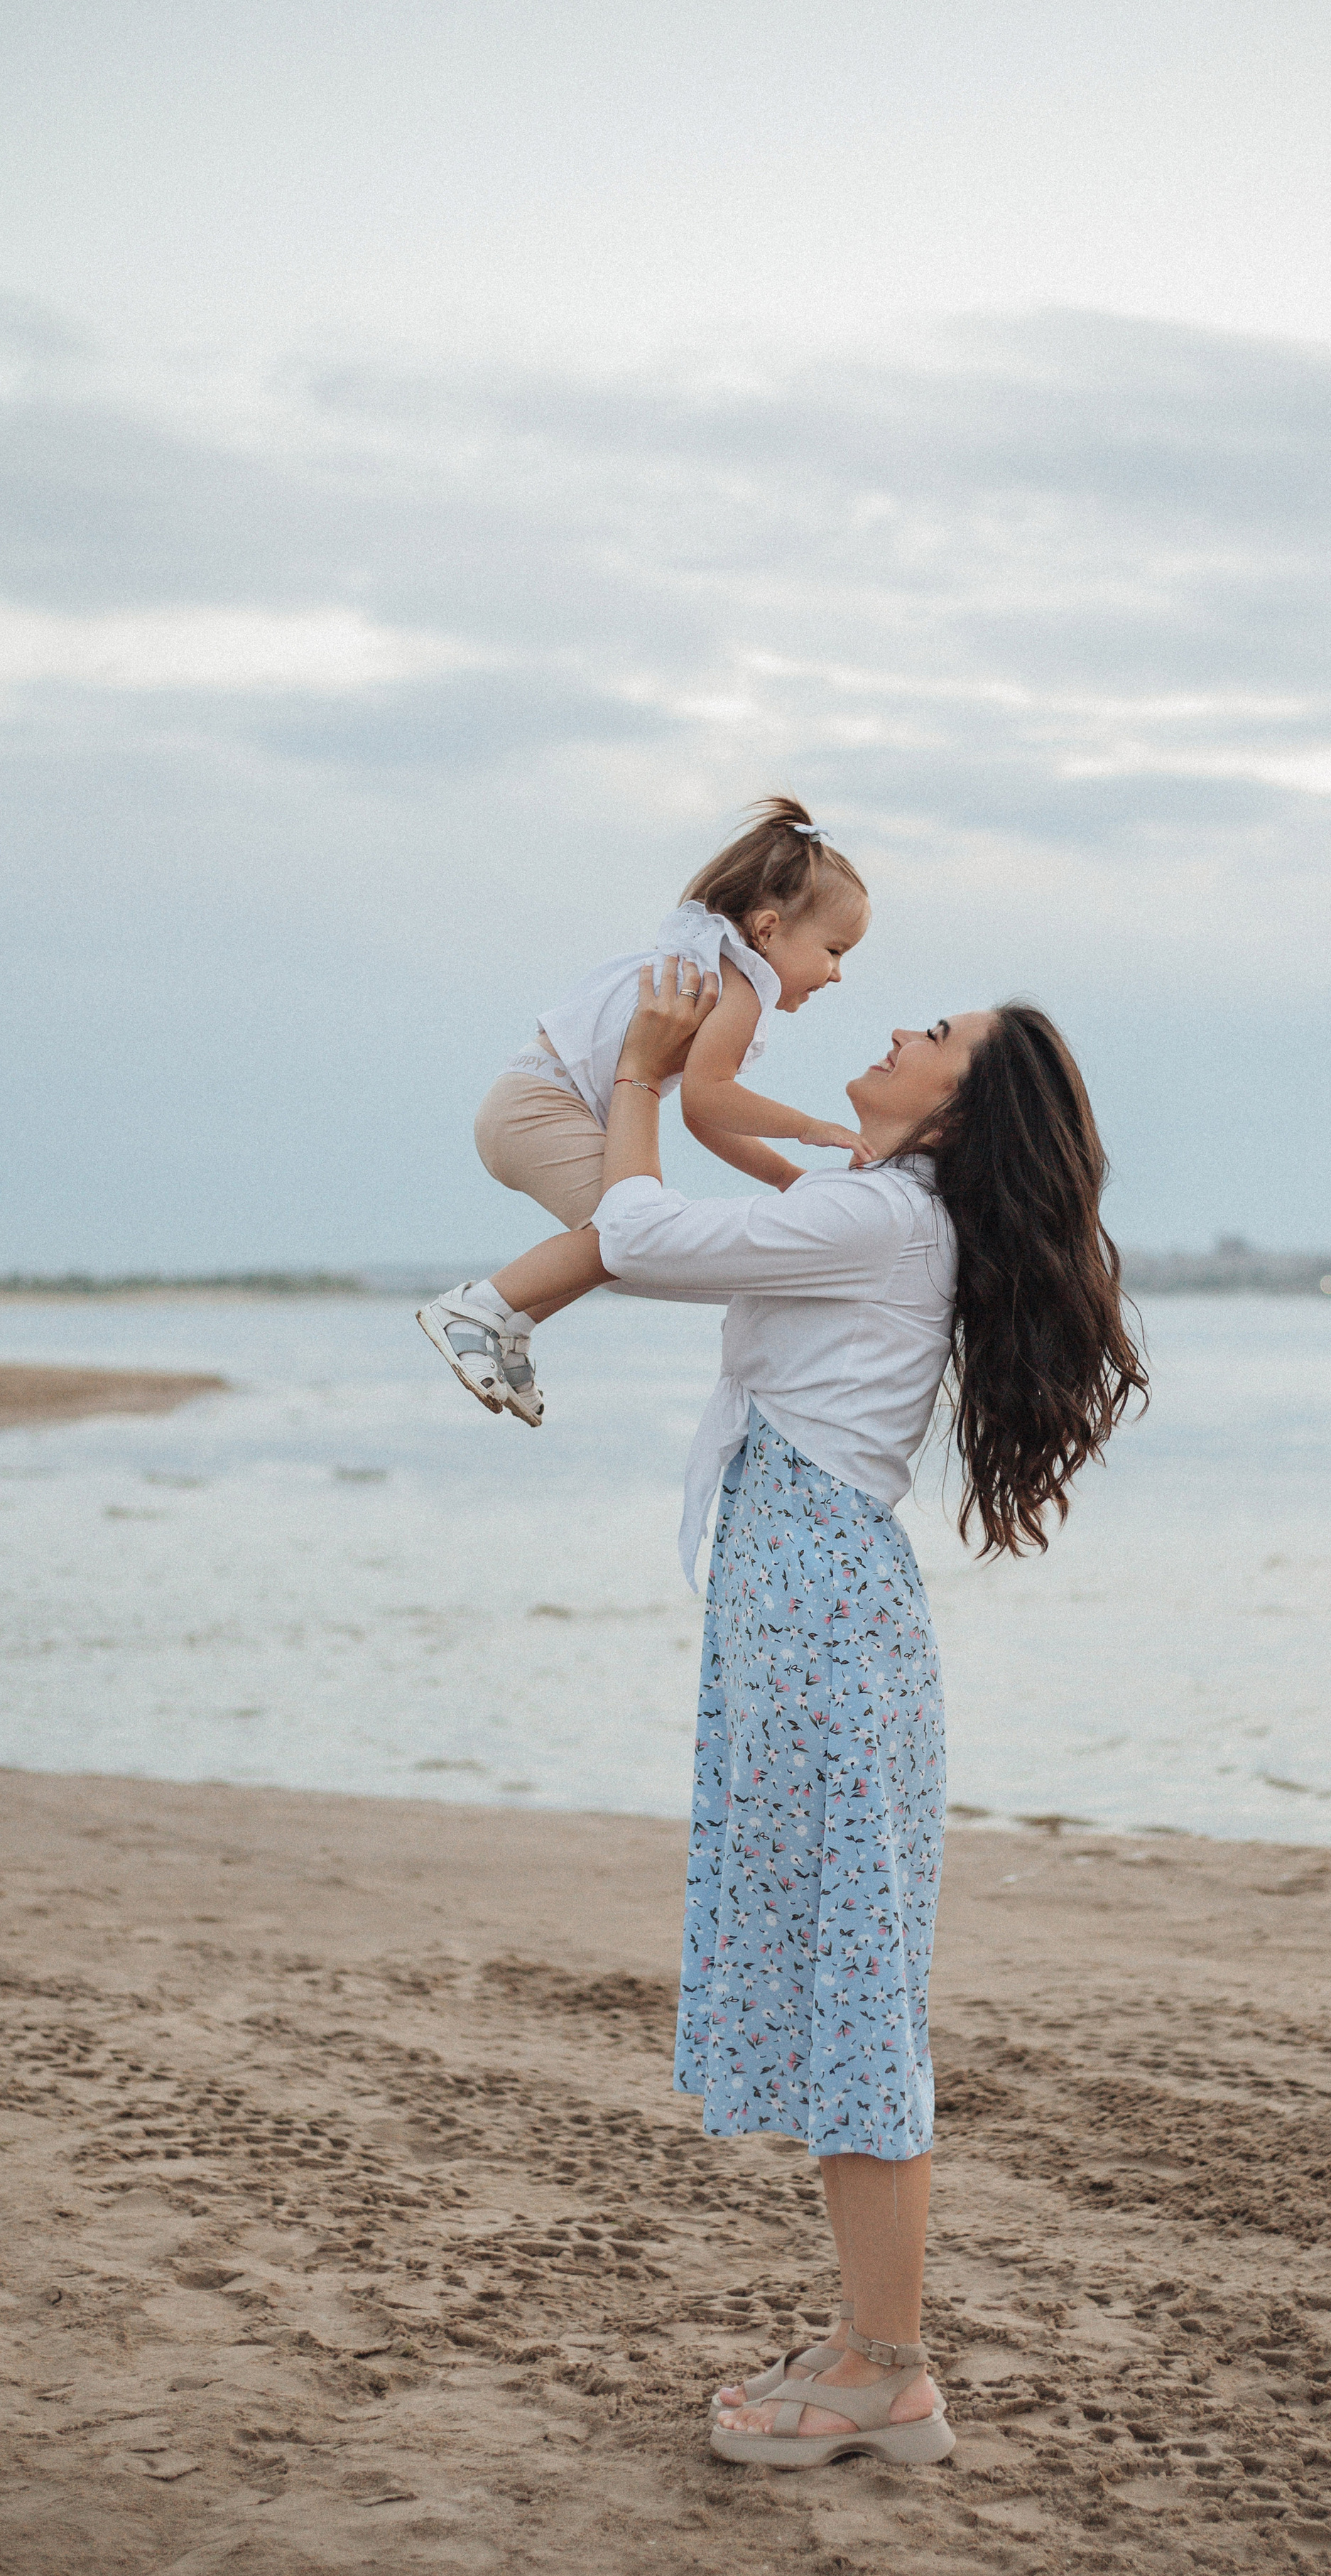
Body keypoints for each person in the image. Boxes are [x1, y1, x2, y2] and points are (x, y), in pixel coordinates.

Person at [521, 957, 1146, 2469]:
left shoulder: (877, 1218)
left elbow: (642, 1236)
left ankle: (885, 2371)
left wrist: (633, 1080)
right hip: (811, 1614)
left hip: (816, 1622)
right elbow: (740, 1169)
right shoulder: (883, 1203)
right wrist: (696, 1078)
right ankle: (875, 2347)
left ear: (959, 1109)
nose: (896, 1027)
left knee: (855, 1993)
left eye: (932, 1035)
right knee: (838, 1976)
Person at [415, 798, 869, 1427]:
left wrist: (787, 1179)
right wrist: (808, 1126)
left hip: (527, 1102)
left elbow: (703, 1118)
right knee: (629, 1236)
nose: (838, 974)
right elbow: (712, 1097)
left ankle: (513, 1323)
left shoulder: (712, 966)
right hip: (540, 1108)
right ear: (767, 930)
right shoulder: (738, 987)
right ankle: (478, 1308)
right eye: (836, 950)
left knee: (621, 1234)